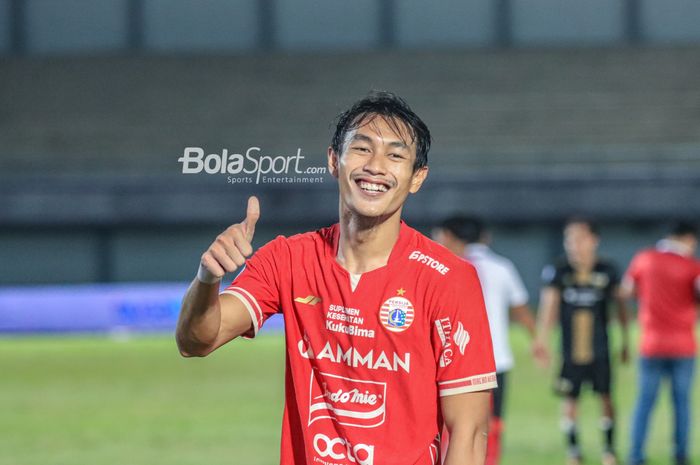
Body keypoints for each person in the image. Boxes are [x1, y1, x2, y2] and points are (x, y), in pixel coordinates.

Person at [176, 91, 498, 465]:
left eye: (395, 155)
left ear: (416, 178)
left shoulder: (449, 278)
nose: (376, 166)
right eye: (362, 149)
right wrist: (207, 278)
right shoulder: (288, 258)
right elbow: (197, 340)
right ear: (333, 160)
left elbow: (469, 433)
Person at [433, 216, 538, 465]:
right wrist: (537, 340)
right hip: (495, 359)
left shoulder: (443, 265)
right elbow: (521, 308)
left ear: (449, 236)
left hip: (452, 359)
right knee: (491, 425)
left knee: (450, 423)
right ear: (484, 237)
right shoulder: (502, 267)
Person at [534, 218, 630, 465]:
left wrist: (626, 341)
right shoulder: (559, 270)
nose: (573, 244)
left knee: (606, 396)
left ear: (593, 240)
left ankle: (609, 449)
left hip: (600, 347)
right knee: (570, 398)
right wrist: (541, 340)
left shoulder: (607, 269)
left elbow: (620, 306)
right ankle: (574, 451)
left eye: (579, 238)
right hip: (570, 349)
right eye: (569, 239)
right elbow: (549, 306)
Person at [623, 221, 700, 465]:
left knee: (644, 402)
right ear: (688, 239)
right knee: (682, 405)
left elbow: (627, 291)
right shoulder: (692, 267)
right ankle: (680, 455)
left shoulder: (643, 259)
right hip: (683, 346)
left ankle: (635, 455)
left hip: (651, 344)